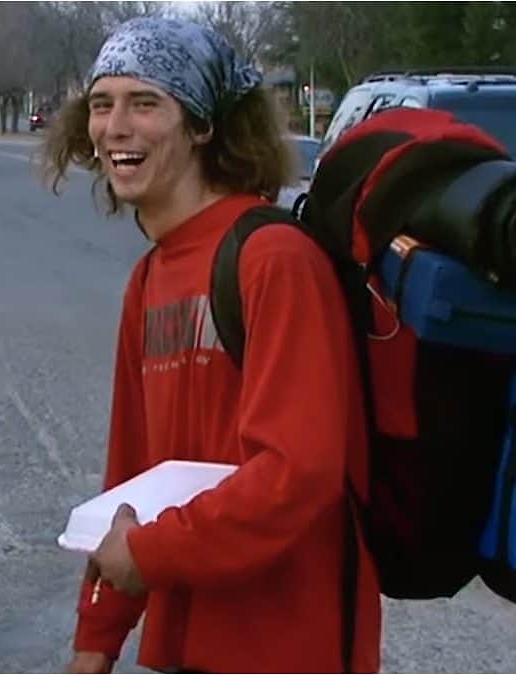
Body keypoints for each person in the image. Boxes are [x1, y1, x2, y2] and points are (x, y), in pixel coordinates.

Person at [41, 17, 381, 674]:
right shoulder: (149, 279)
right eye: (102, 105)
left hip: (288, 647)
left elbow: (296, 474)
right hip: (183, 649)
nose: (115, 127)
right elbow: (128, 486)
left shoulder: (274, 259)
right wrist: (95, 643)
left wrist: (150, 554)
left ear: (201, 125)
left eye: (145, 103)